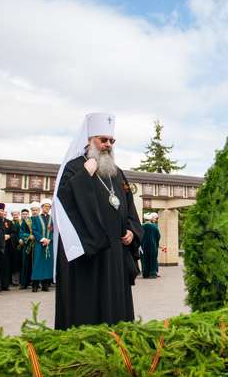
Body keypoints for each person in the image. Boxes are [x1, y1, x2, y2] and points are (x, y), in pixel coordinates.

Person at [53, 113, 143, 329]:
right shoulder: (75, 168)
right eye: (103, 140)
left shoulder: (118, 173)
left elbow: (129, 207)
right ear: (89, 139)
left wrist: (132, 230)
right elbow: (62, 204)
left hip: (116, 254)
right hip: (89, 256)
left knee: (116, 310)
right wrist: (85, 175)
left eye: (111, 141)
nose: (108, 145)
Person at [31, 199, 54, 292]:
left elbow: (54, 231)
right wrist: (43, 239)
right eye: (45, 206)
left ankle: (45, 285)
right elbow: (34, 230)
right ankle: (35, 285)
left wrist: (49, 239)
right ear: (42, 207)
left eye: (48, 207)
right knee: (37, 264)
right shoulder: (35, 218)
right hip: (39, 244)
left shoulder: (52, 218)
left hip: (49, 244)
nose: (47, 208)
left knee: (47, 264)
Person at [0, 203, 13, 291]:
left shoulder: (8, 222)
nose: (0, 212)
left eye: (1, 211)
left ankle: (5, 285)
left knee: (5, 266)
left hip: (6, 248)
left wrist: (9, 236)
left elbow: (14, 233)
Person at [18, 207, 35, 290]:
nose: (35, 212)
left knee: (34, 264)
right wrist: (28, 236)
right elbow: (21, 232)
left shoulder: (37, 220)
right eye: (33, 210)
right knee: (25, 264)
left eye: (36, 210)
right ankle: (24, 283)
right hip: (27, 245)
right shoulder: (26, 221)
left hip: (36, 245)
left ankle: (35, 282)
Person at [141, 212, 161, 279]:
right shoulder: (154, 227)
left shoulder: (141, 227)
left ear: (144, 219)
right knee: (153, 259)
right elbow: (158, 236)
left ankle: (145, 273)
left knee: (144, 259)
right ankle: (152, 273)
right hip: (153, 246)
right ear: (150, 219)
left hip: (143, 246)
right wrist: (156, 243)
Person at [9, 210, 23, 286]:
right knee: (15, 263)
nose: (15, 216)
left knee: (22, 263)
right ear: (12, 215)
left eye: (17, 214)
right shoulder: (11, 223)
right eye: (14, 214)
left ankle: (21, 280)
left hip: (22, 245)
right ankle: (14, 281)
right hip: (14, 246)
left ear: (19, 214)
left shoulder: (22, 222)